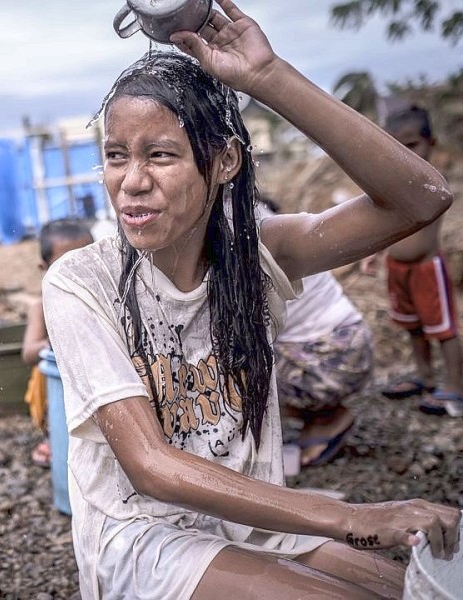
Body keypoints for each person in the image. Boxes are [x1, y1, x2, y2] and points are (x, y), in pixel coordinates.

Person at [42, 1, 460, 598]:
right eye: (116, 156)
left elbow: (421, 199)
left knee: (407, 589)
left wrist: (268, 77)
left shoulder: (261, 254)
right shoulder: (83, 281)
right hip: (145, 539)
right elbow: (151, 466)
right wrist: (353, 517)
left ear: (225, 162)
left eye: (160, 155)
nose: (131, 181)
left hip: (254, 522)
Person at [360, 105, 462, 418]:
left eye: (412, 145)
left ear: (431, 144)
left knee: (443, 330)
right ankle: (425, 377)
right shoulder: (394, 187)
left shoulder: (433, 182)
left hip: (427, 269)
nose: (406, 155)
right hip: (398, 269)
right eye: (397, 148)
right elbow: (387, 225)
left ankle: (456, 386)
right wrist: (375, 254)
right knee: (413, 327)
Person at [258, 198, 373, 468]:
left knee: (223, 373)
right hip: (347, 344)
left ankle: (328, 418)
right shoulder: (262, 215)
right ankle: (319, 415)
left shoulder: (239, 227)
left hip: (329, 359)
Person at [23, 218, 94, 467]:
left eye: (85, 260)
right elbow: (28, 352)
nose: (76, 272)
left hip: (95, 380)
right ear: (44, 268)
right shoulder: (41, 306)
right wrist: (52, 345)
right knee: (43, 376)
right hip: (61, 385)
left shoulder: (101, 296)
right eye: (65, 265)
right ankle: (55, 438)